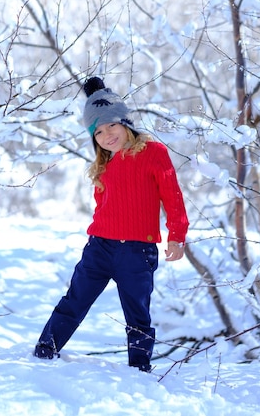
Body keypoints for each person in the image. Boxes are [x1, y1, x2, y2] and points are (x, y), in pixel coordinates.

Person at [33, 77, 189, 372]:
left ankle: (140, 369)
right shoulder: (103, 165)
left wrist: (176, 235)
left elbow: (173, 197)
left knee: (137, 313)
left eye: (111, 126)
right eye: (98, 132)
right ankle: (45, 351)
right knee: (75, 300)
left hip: (137, 251)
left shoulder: (154, 153)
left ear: (125, 122)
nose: (106, 135)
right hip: (100, 248)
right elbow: (103, 206)